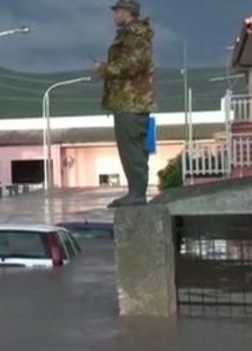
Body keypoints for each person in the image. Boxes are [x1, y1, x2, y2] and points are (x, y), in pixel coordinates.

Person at [95, 0, 156, 208]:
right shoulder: (128, 36)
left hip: (132, 102)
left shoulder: (136, 38)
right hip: (126, 102)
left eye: (117, 11)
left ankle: (137, 193)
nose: (114, 15)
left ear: (128, 12)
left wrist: (105, 69)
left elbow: (132, 66)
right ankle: (134, 191)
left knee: (133, 150)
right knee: (129, 149)